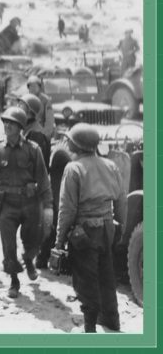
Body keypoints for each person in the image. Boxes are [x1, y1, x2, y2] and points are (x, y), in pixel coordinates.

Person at [0, 107, 52, 298]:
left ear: (21, 127)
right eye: (5, 122)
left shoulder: (33, 150)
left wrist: (48, 207)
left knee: (33, 240)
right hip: (6, 205)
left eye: (11, 123)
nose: (6, 126)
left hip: (30, 204)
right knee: (8, 245)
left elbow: (43, 179)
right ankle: (14, 281)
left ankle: (29, 260)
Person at [54, 124, 127, 333]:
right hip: (107, 227)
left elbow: (67, 209)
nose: (67, 142)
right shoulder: (110, 165)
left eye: (69, 140)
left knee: (86, 278)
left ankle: (90, 327)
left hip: (84, 231)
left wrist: (59, 241)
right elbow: (121, 200)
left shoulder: (73, 168)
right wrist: (120, 226)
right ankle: (112, 322)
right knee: (106, 274)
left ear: (77, 144)